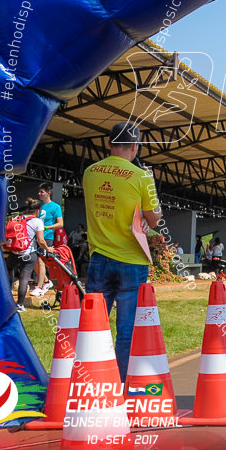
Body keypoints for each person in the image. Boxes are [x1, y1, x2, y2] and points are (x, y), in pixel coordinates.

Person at [84, 121, 162, 381]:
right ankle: (119, 382)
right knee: (126, 330)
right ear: (135, 146)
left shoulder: (90, 173)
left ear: (109, 143)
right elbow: (154, 220)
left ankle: (93, 380)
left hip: (98, 259)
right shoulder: (142, 177)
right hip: (131, 260)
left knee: (94, 326)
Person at [9, 199, 50, 312]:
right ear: (38, 210)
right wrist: (48, 248)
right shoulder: (37, 222)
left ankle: (6, 301)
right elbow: (41, 240)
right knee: (24, 278)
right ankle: (20, 305)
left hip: (14, 252)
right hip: (28, 253)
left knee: (10, 275)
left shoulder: (16, 218)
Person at [30, 182, 64, 297]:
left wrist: (46, 227)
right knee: (33, 260)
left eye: (42, 192)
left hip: (47, 237)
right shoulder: (38, 206)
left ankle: (39, 287)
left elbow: (60, 224)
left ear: (49, 193)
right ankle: (46, 282)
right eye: (39, 192)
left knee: (40, 260)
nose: (39, 194)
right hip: (35, 236)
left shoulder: (56, 207)